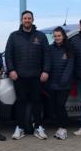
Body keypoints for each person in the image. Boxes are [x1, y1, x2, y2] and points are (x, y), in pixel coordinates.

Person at [5, 10, 50, 140]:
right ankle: (20, 128)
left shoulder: (40, 36)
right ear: (21, 20)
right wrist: (11, 70)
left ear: (33, 20)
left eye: (29, 18)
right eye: (25, 18)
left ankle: (38, 127)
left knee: (37, 102)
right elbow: (8, 55)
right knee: (21, 102)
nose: (27, 20)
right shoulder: (13, 36)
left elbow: (47, 55)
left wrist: (46, 70)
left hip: (37, 76)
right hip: (19, 76)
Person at [46, 27, 74, 140]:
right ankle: (59, 127)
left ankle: (63, 128)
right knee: (54, 107)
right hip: (52, 82)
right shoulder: (50, 48)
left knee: (60, 105)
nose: (57, 38)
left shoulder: (69, 48)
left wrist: (64, 79)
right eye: (55, 36)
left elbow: (70, 65)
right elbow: (47, 63)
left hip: (64, 84)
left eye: (59, 36)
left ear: (63, 36)